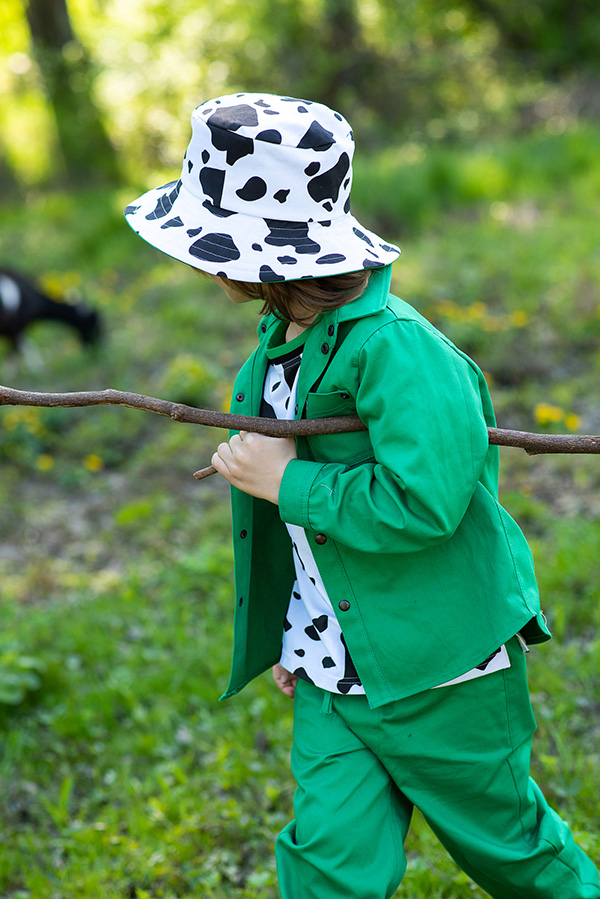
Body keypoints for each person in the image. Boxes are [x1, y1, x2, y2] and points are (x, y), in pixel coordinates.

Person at [124, 92, 600, 899]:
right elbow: (308, 533)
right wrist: (297, 625)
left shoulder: (397, 349)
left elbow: (426, 503)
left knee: (511, 850)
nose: (200, 262)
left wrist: (285, 479)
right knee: (326, 865)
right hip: (330, 665)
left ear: (260, 254)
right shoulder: (283, 342)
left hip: (441, 668)